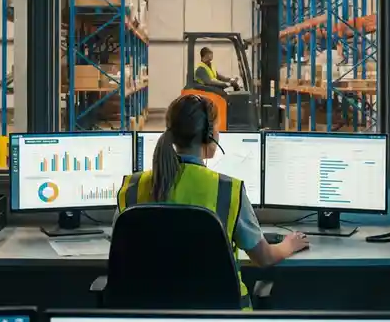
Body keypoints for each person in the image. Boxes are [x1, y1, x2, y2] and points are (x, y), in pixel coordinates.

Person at [115, 94, 308, 310]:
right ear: (209, 134)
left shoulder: (132, 189)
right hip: (221, 320)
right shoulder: (227, 191)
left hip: (149, 319)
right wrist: (288, 244)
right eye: (217, 127)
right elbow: (263, 257)